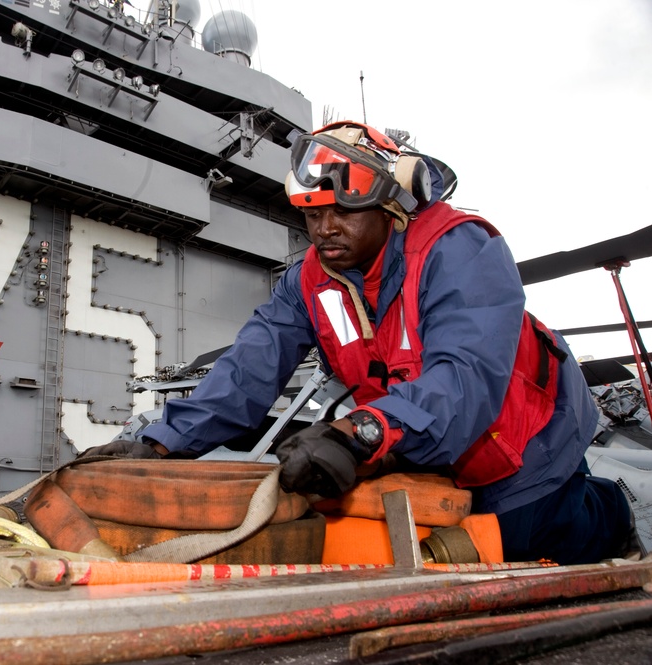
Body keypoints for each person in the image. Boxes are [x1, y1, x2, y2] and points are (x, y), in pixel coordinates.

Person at [84, 121, 633, 565]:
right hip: (417, 435)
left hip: (524, 434)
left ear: (390, 207)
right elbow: (249, 368)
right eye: (313, 214)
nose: (324, 229)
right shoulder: (308, 281)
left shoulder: (460, 249)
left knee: (518, 538)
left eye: (342, 211)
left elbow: (463, 380)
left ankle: (619, 510)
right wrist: (159, 443)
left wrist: (362, 431)